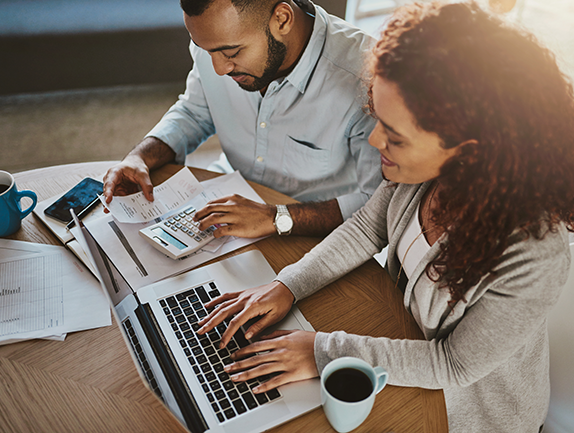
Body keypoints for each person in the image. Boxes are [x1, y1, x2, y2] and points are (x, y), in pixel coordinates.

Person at [194, 2, 574, 432]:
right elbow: (365, 229)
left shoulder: (535, 255)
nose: (375, 139)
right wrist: (287, 286)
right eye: (378, 116)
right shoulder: (423, 172)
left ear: (469, 154)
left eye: (394, 136)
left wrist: (321, 350)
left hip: (465, 414)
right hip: (397, 351)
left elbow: (451, 365)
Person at [103, 0, 382, 238]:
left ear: (282, 19)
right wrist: (139, 157)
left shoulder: (365, 79)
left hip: (311, 233)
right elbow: (195, 112)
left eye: (232, 52)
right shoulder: (218, 38)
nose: (220, 68)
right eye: (206, 49)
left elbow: (378, 205)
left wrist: (275, 217)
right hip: (223, 199)